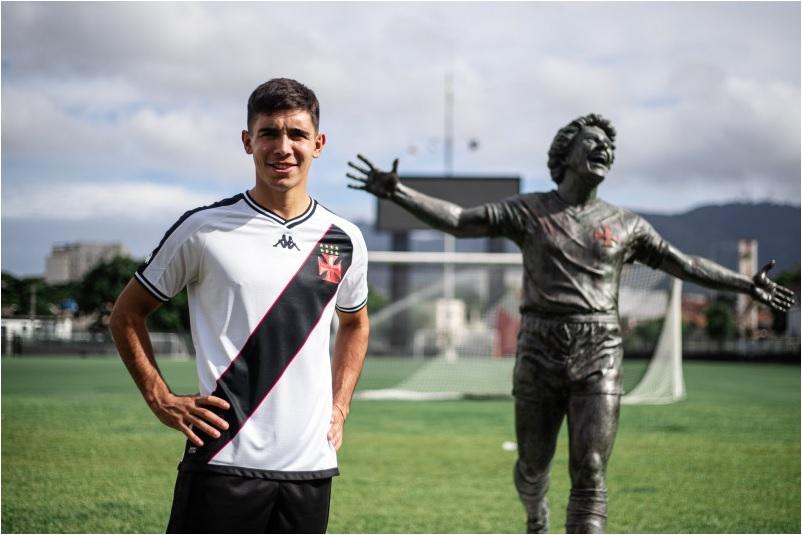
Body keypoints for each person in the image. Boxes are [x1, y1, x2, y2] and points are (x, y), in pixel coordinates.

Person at [346, 113, 794, 534]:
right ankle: (535, 514)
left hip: (600, 348)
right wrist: (397, 193)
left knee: (592, 467)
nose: (605, 150)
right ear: (566, 154)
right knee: (532, 465)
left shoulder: (626, 225)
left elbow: (684, 263)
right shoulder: (530, 211)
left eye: (610, 146)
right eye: (594, 142)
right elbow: (462, 221)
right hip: (539, 348)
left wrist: (744, 284)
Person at [110, 78, 370, 534]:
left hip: (310, 467)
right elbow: (126, 315)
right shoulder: (203, 230)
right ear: (248, 141)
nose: (283, 147)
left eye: (297, 134)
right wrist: (161, 398)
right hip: (221, 460)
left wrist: (340, 406)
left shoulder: (343, 239)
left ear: (319, 143)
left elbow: (355, 324)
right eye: (269, 133)